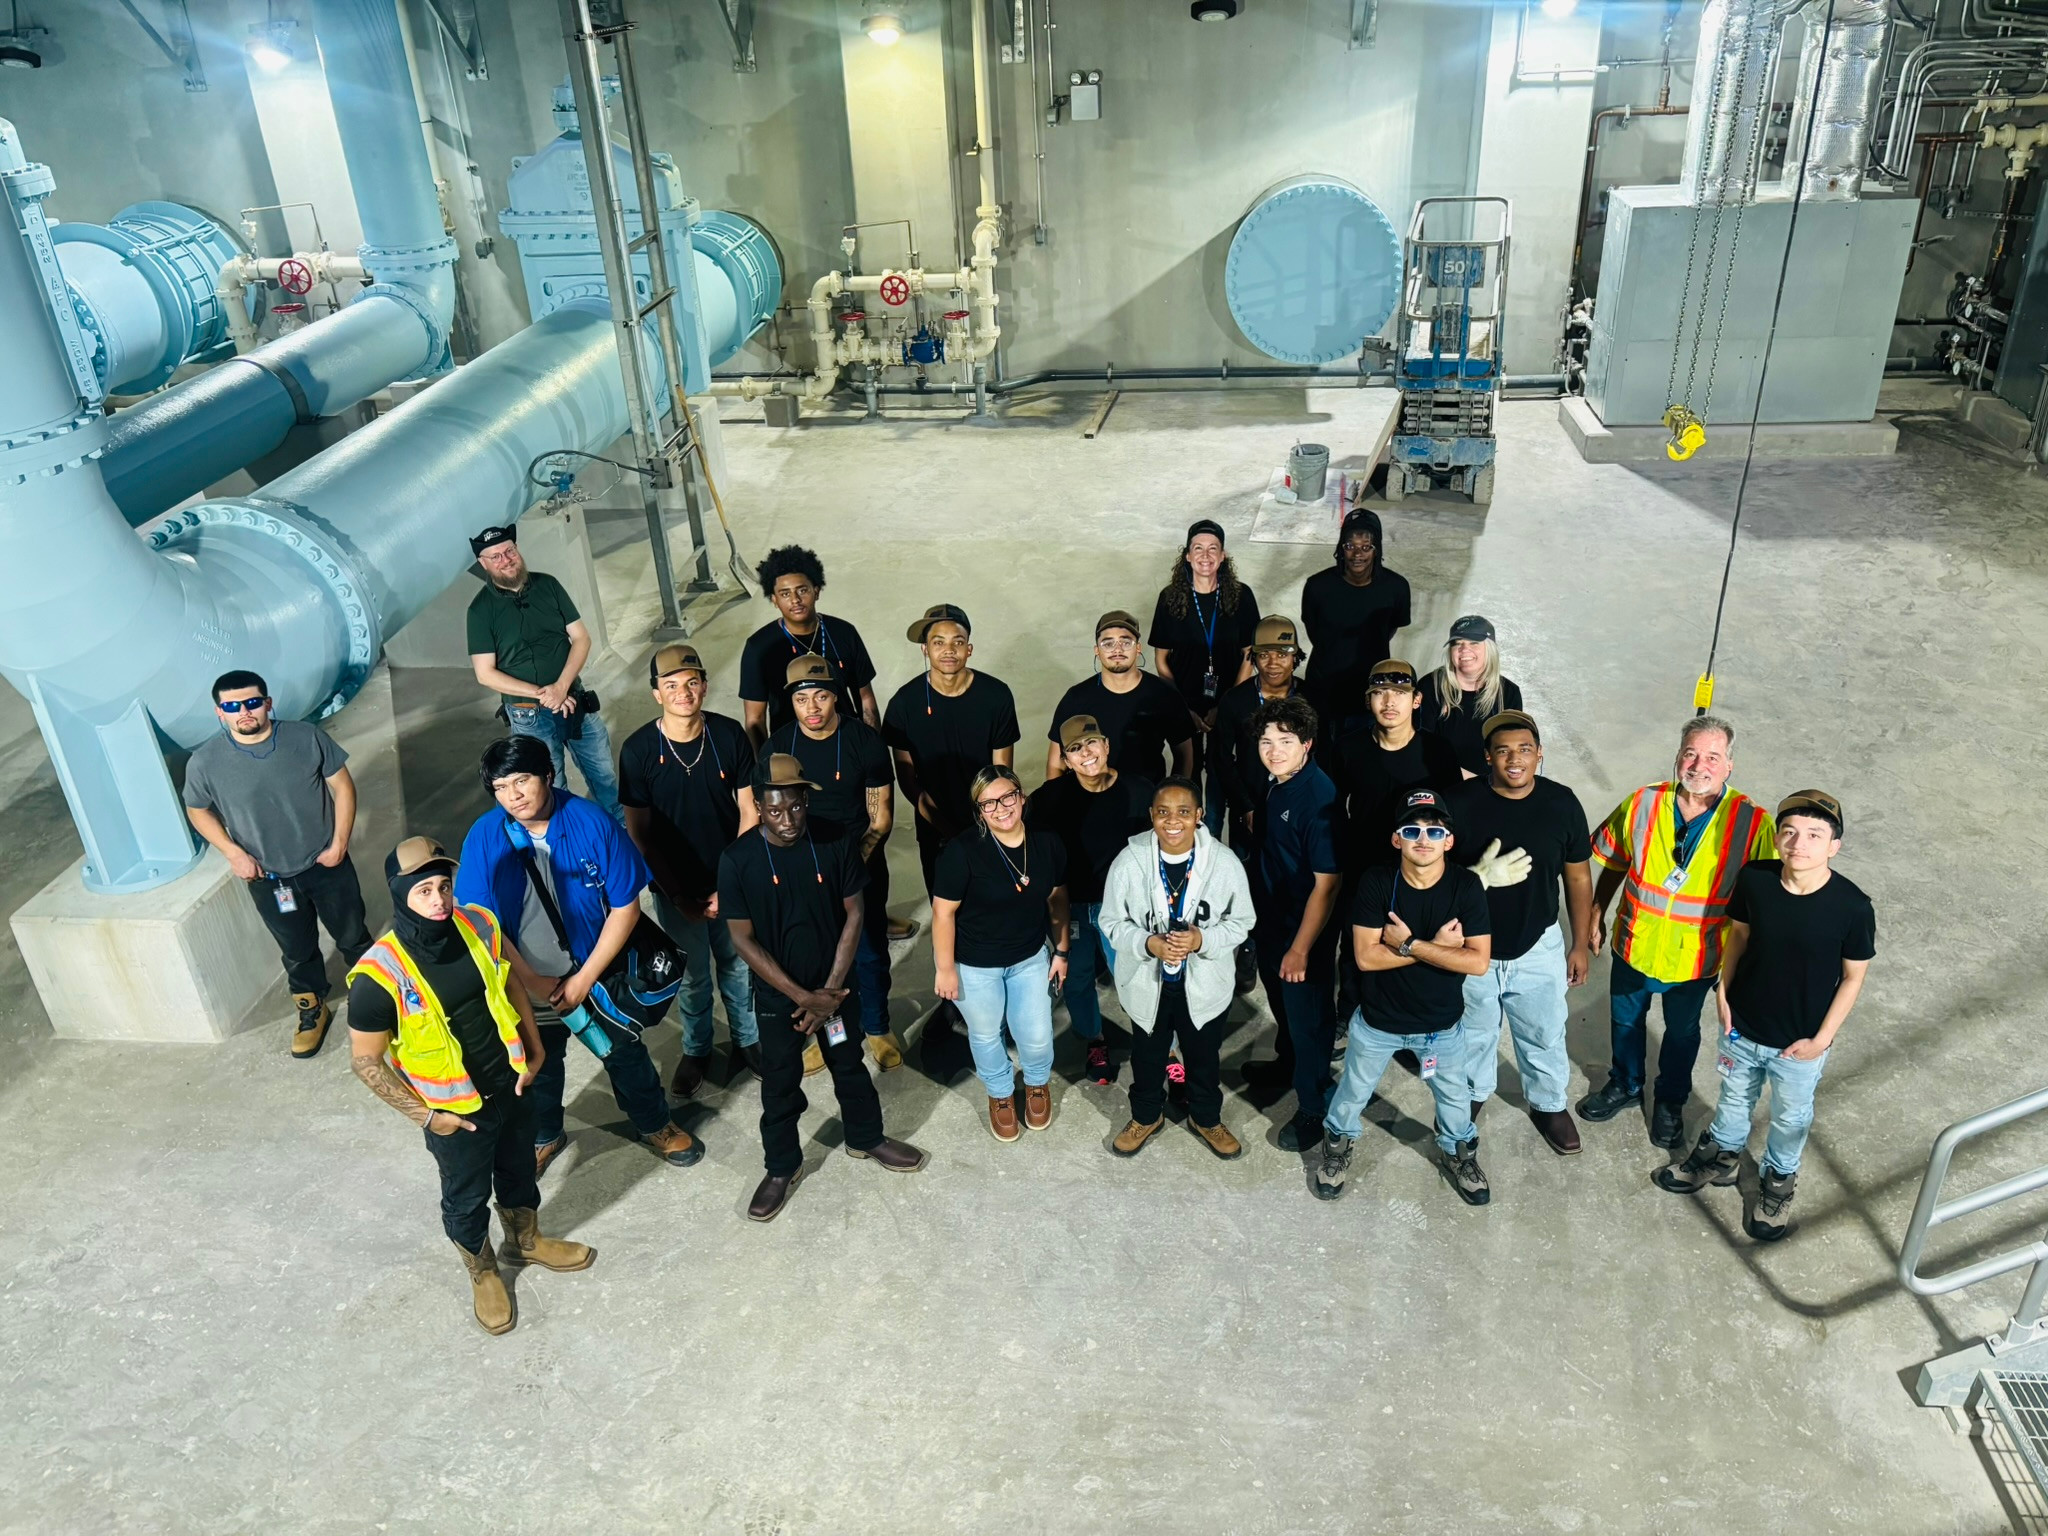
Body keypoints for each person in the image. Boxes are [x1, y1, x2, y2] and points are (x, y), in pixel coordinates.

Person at [346, 837, 591, 1334]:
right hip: (455, 1114)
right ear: (399, 895)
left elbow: (510, 982)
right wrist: (429, 1118)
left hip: (511, 1085)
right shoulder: (378, 975)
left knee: (521, 1170)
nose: (438, 900)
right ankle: (482, 1272)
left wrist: (534, 1045)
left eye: (443, 886)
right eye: (423, 892)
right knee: (466, 1197)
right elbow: (366, 1062)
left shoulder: (478, 922)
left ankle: (525, 1240)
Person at [455, 735, 703, 1176]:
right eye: (500, 787)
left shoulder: (592, 823)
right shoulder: (483, 838)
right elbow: (480, 923)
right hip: (524, 981)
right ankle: (545, 1135)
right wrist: (534, 983)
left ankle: (654, 1123)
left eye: (522, 780)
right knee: (538, 1064)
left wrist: (584, 979)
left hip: (594, 973)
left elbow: (626, 906)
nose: (513, 795)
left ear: (548, 776)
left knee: (625, 1054)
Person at [1654, 790, 1874, 1242]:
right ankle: (1722, 1155)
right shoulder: (1755, 880)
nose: (1800, 843)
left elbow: (1853, 978)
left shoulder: (1852, 907)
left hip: (1800, 1044)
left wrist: (1822, 1039)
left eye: (1816, 834)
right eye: (1790, 832)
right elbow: (1738, 936)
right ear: (1777, 840)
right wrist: (1724, 992)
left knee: (1791, 1119)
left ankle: (1777, 1182)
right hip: (1743, 1029)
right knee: (1734, 1099)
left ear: (1835, 845)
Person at [719, 755, 928, 1221]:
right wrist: (803, 997)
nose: (788, 820)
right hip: (781, 1000)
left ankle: (866, 1138)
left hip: (835, 991)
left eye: (795, 807)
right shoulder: (738, 860)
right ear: (758, 805)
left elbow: (855, 913)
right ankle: (782, 1168)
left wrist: (829, 992)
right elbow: (741, 938)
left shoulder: (833, 840)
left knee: (849, 1065)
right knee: (780, 1083)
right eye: (775, 811)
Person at [1576, 716, 1777, 1149]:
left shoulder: (1753, 822)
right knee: (1625, 1020)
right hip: (1634, 940)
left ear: (1729, 767)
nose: (1698, 765)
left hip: (1698, 955)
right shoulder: (1644, 801)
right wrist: (1596, 910)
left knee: (1681, 1032)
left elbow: (1765, 898)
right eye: (1690, 753)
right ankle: (1626, 1084)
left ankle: (1669, 1101)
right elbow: (1614, 858)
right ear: (1677, 756)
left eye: (1712, 757)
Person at [1316, 789, 1494, 1205]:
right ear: (1397, 838)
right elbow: (1365, 958)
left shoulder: (1466, 886)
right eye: (1412, 829)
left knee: (1454, 1097)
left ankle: (1459, 1154)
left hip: (1441, 1027)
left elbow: (1477, 962)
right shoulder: (1377, 882)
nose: (1423, 838)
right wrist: (1438, 948)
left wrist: (1412, 944)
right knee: (1353, 1092)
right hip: (1378, 1023)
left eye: (1435, 831)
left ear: (1449, 841)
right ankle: (1337, 1148)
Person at [182, 668, 370, 1058]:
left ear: (267, 703)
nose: (244, 712)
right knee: (297, 949)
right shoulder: (206, 762)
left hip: (326, 862)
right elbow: (197, 809)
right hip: (269, 877)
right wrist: (233, 853)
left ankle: (377, 999)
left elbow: (343, 785)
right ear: (220, 713)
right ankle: (312, 1010)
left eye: (252, 702)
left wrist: (339, 843)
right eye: (232, 706)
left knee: (352, 935)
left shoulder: (306, 737)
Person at [1447, 710, 1594, 1156]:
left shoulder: (1561, 803)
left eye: (1525, 749)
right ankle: (1469, 1096)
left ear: (1539, 754)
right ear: (1487, 757)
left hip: (1538, 943)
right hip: (1474, 946)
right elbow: (1433, 877)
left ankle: (1548, 1104)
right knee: (1473, 1032)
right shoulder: (1458, 802)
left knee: (1545, 1031)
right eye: (1504, 750)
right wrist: (1476, 877)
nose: (1515, 759)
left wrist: (1580, 944)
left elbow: (1578, 878)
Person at [618, 643, 760, 1098]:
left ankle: (749, 1040)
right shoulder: (639, 750)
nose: (684, 692)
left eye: (692, 682)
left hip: (731, 880)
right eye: (672, 685)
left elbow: (748, 811)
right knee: (694, 975)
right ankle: (697, 1048)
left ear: (704, 685)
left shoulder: (729, 735)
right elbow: (639, 832)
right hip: (675, 887)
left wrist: (729, 884)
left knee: (738, 966)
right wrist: (678, 894)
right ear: (657, 693)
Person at [1099, 777, 1256, 1159]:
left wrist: (1203, 940)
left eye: (1184, 812)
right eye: (1163, 812)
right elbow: (1110, 922)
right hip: (1148, 985)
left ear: (1199, 816)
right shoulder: (1129, 861)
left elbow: (1242, 921)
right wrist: (1147, 943)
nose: (1173, 821)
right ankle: (1146, 1116)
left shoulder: (1223, 862)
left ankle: (1205, 1118)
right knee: (1148, 1057)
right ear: (1152, 816)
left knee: (1203, 1057)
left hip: (1204, 986)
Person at [881, 601, 1021, 1009]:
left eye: (957, 642)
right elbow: (908, 779)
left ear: (970, 649)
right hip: (935, 829)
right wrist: (944, 828)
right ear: (924, 649)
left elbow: (1001, 774)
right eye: (937, 642)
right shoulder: (905, 704)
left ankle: (1000, 994)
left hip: (990, 826)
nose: (948, 650)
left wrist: (988, 828)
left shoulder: (996, 695)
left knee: (993, 910)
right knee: (947, 914)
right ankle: (952, 998)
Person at [769, 654, 902, 1070]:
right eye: (802, 699)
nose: (812, 708)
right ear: (790, 702)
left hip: (858, 870)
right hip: (800, 873)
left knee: (869, 953)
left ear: (835, 698)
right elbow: (770, 818)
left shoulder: (865, 742)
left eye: (822, 696)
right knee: (809, 959)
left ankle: (878, 1027)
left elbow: (880, 819)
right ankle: (818, 1034)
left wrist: (846, 875)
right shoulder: (778, 748)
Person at [932, 766, 1072, 1142]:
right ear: (979, 812)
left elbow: (1057, 899)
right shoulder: (961, 852)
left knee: (1038, 1035)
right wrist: (945, 969)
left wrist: (1061, 950)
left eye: (1008, 797)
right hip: (975, 965)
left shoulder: (1046, 843)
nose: (1001, 808)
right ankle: (1000, 1093)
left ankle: (1038, 1083)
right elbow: (943, 913)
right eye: (988, 803)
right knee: (985, 1033)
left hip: (1028, 957)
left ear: (1022, 797)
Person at [1241, 696, 1343, 1152]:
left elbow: (1328, 885)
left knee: (1309, 1020)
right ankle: (1288, 1064)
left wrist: (1301, 948)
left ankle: (1314, 1106)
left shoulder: (1317, 798)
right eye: (1266, 741)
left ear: (1307, 744)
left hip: (1303, 930)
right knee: (1282, 1003)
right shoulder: (1278, 782)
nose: (1274, 749)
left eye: (1285, 741)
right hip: (1272, 920)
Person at [1029, 715, 1155, 1084]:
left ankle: (1162, 1044)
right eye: (1075, 749)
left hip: (1127, 908)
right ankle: (1094, 1039)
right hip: (1077, 906)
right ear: (1065, 761)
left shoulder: (1141, 791)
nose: (1086, 753)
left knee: (1137, 976)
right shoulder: (1050, 799)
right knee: (1078, 977)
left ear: (1107, 746)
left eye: (1092, 743)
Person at [466, 524, 619, 819]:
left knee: (604, 777)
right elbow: (485, 673)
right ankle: (566, 850)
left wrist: (561, 687)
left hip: (574, 700)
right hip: (528, 715)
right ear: (483, 564)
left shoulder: (549, 585)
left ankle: (621, 840)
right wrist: (544, 694)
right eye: (495, 556)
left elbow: (581, 638)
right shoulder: (480, 611)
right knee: (549, 788)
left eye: (510, 551)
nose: (506, 559)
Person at [1147, 520, 1259, 833]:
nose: (1205, 555)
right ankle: (1186, 830)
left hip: (1229, 699)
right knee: (1188, 767)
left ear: (1223, 556)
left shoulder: (1241, 596)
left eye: (1213, 549)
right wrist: (1184, 708)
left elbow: (1250, 654)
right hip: (1186, 703)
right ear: (1187, 555)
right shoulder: (1170, 598)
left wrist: (1227, 704)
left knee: (1226, 766)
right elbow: (1161, 658)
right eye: (1198, 548)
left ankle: (1224, 828)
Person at [737, 545, 879, 746]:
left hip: (846, 739)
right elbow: (754, 719)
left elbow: (866, 701)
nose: (795, 600)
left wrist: (874, 749)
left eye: (802, 590)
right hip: (791, 748)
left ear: (816, 591)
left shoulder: (844, 633)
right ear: (774, 600)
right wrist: (765, 768)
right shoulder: (759, 647)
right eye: (785, 594)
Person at [1329, 659, 1462, 874]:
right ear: (1368, 700)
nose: (1389, 702)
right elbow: (1331, 810)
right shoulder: (1347, 748)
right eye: (1380, 693)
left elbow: (1454, 814)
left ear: (1416, 700)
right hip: (1362, 865)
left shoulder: (1438, 751)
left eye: (1400, 693)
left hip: (1420, 866)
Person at [1045, 611, 1195, 785]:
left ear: (1138, 648)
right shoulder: (1076, 698)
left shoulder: (1164, 695)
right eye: (1108, 643)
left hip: (1147, 804)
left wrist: (1173, 800)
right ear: (1097, 650)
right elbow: (1056, 765)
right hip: (1090, 805)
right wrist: (1057, 804)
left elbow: (1185, 755)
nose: (1117, 649)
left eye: (1126, 642)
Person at [1299, 508, 1410, 736]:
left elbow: (1391, 628)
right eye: (1350, 546)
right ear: (1341, 548)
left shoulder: (1396, 587)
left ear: (1376, 549)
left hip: (1370, 692)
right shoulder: (1317, 586)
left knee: (1360, 758)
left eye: (1365, 547)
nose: (1357, 554)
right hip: (1323, 689)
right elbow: (1313, 629)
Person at [1214, 615, 1305, 847]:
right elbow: (1220, 757)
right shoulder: (1235, 700)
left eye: (1282, 655)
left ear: (1295, 657)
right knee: (1247, 876)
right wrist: (1245, 806)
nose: (1273, 664)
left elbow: (1324, 757)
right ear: (1253, 658)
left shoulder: (1312, 698)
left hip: (1301, 807)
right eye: (1264, 655)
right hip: (1249, 808)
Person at [1417, 615, 1524, 779]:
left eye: (1474, 643)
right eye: (1457, 644)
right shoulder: (1430, 687)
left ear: (1490, 648)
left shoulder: (1508, 693)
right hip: (1438, 781)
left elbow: (1510, 751)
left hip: (1489, 788)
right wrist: (1471, 782)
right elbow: (1420, 748)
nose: (1464, 650)